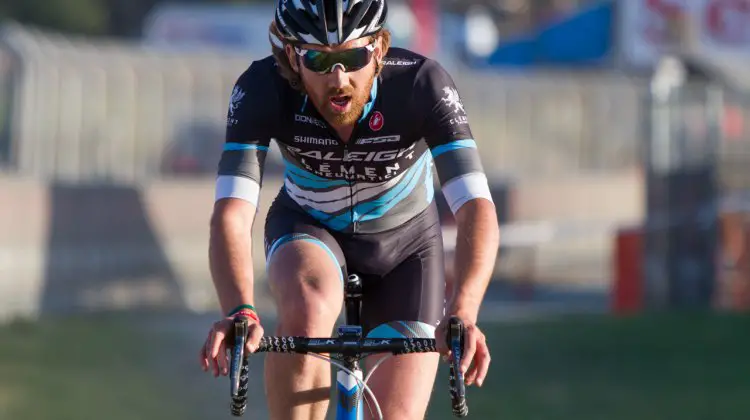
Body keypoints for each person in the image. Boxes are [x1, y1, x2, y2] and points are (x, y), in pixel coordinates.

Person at [199, 0, 500, 418]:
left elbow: (475, 207)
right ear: (292, 56)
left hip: (408, 249)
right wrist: (239, 310)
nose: (337, 79)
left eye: (352, 57)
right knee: (308, 310)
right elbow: (231, 212)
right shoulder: (261, 88)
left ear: (377, 48)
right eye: (319, 59)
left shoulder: (422, 84)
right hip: (309, 227)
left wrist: (464, 311)